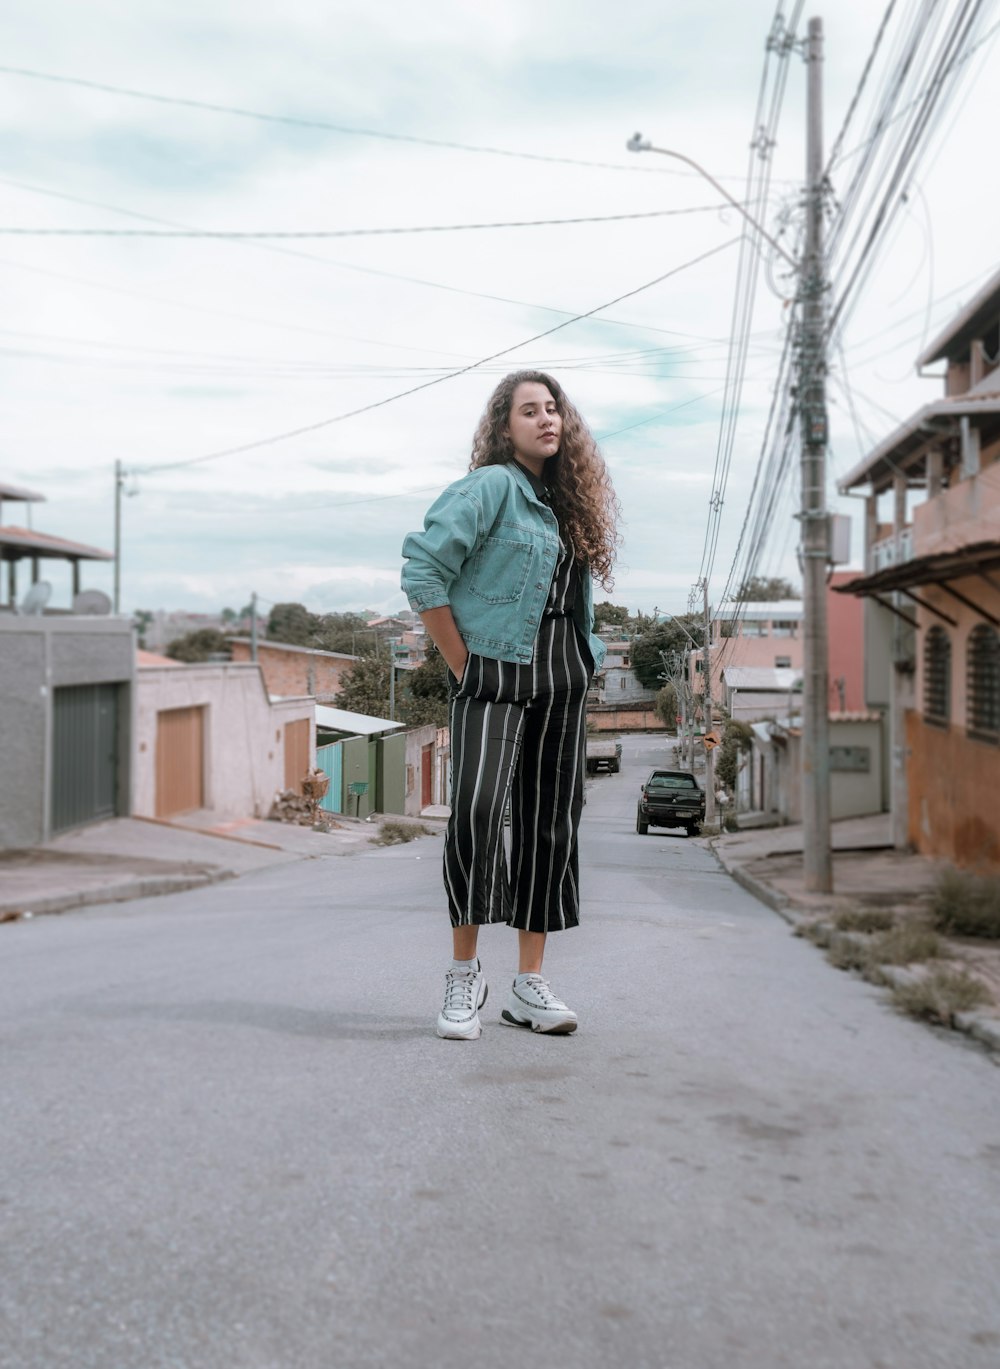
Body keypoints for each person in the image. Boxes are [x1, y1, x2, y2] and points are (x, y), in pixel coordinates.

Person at [401, 369, 620, 1040]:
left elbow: (572, 602)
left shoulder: (564, 503)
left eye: (553, 409)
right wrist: (463, 662)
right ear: (504, 426)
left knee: (549, 824)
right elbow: (423, 569)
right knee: (474, 811)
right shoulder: (492, 487)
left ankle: (528, 985)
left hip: (562, 676)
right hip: (493, 669)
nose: (547, 419)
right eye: (530, 410)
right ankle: (464, 975)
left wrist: (588, 656)